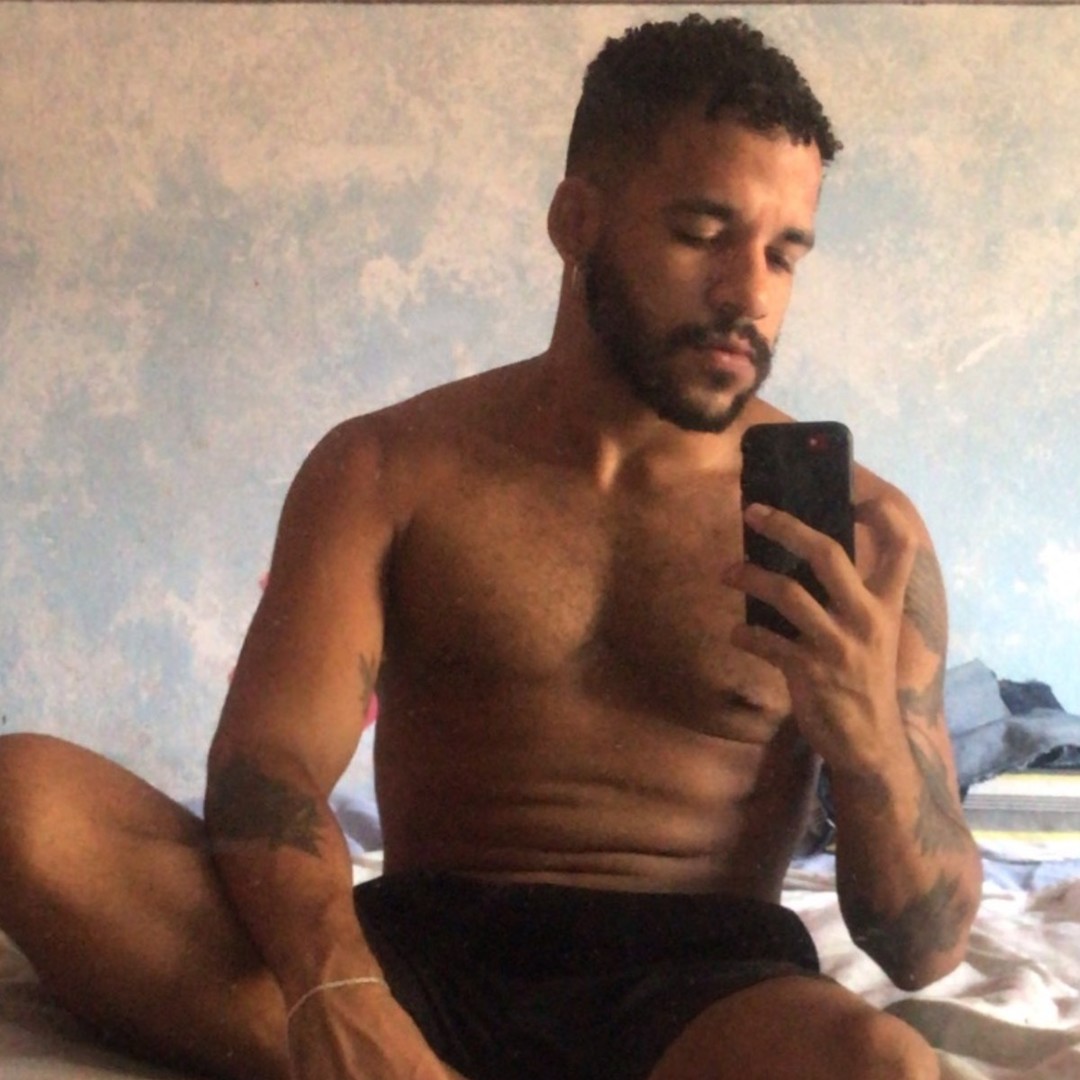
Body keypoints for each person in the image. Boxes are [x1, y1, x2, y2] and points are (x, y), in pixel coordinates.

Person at [0, 14, 982, 1080]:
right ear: (576, 221)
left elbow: (924, 950)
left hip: (702, 991)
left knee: (882, 1068)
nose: (750, 294)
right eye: (703, 233)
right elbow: (265, 769)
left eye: (784, 255)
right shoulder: (387, 468)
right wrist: (337, 989)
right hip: (417, 960)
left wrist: (870, 749)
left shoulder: (867, 538)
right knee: (25, 801)